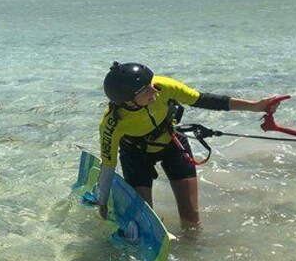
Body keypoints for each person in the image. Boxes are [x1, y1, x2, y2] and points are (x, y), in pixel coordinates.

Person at [97, 61, 284, 228]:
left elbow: (203, 100)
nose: (154, 91)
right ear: (128, 100)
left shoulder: (163, 86)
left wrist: (255, 106)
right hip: (136, 155)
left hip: (172, 143)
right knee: (146, 223)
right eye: (145, 90)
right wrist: (102, 201)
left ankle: (191, 252)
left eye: (150, 84)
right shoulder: (112, 123)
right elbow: (108, 164)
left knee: (191, 221)